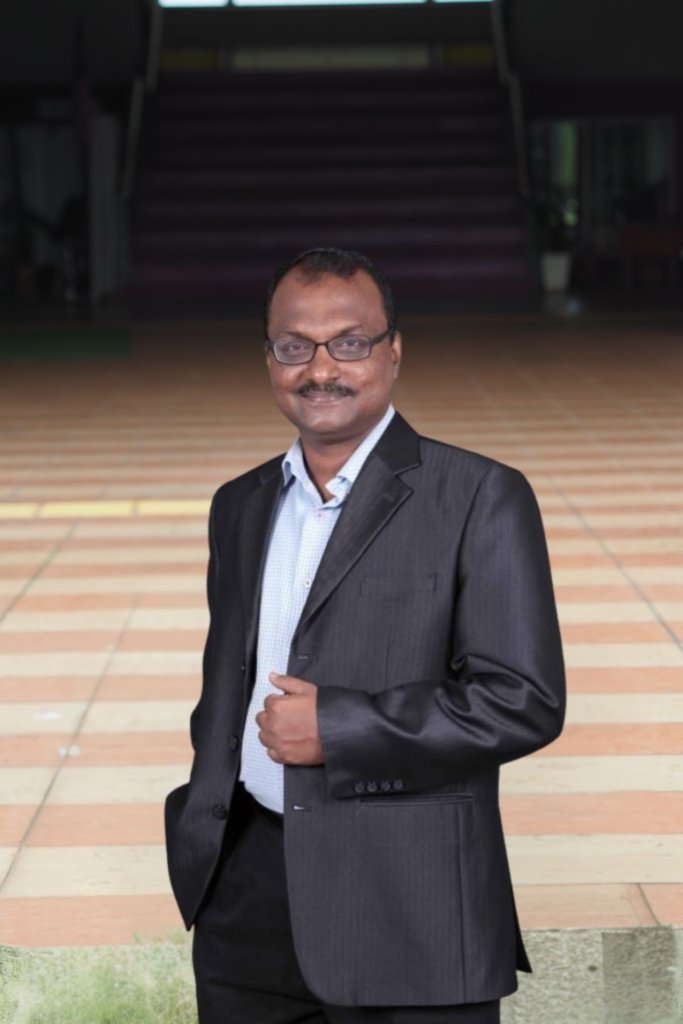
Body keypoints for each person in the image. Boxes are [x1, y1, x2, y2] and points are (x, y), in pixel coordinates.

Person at [165, 247, 566, 1024]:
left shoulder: (479, 495)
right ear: (269, 357)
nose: (321, 369)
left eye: (349, 342)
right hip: (246, 901)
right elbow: (227, 686)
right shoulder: (239, 504)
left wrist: (339, 728)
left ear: (393, 350)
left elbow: (522, 700)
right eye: (295, 345)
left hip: (407, 905)